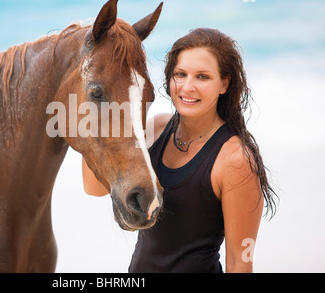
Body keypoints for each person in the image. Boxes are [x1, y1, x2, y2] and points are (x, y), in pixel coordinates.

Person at [82, 28, 277, 273]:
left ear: (224, 83)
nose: (188, 87)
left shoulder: (235, 160)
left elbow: (240, 261)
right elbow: (95, 188)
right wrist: (95, 105)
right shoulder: (156, 128)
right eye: (180, 74)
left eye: (202, 77)